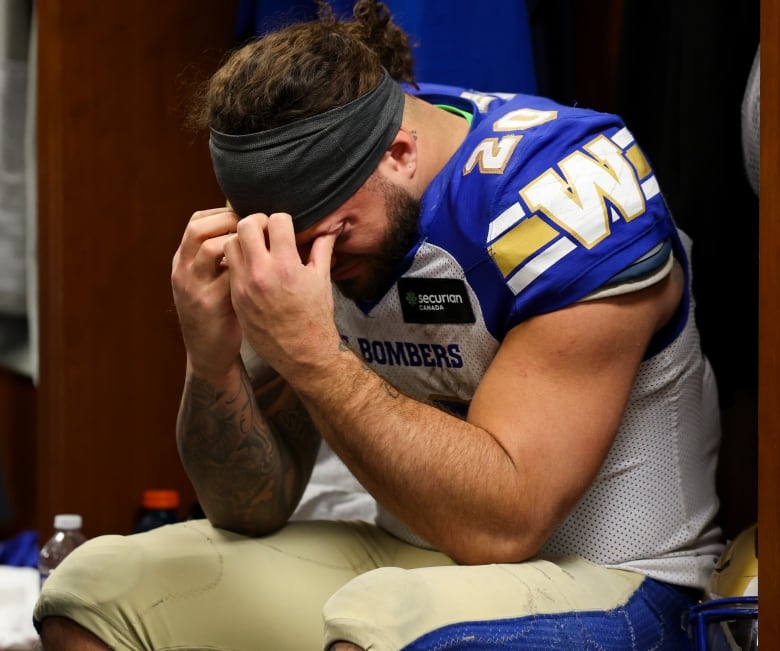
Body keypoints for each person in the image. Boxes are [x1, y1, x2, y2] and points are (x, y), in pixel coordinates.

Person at [33, 1, 724, 649]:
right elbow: (251, 506)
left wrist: (314, 356)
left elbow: (507, 523)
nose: (315, 262)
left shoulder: (557, 190)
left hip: (615, 575)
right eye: (294, 242)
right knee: (96, 590)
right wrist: (210, 358)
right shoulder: (314, 211)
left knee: (378, 622)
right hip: (412, 560)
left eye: (334, 235)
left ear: (399, 153)